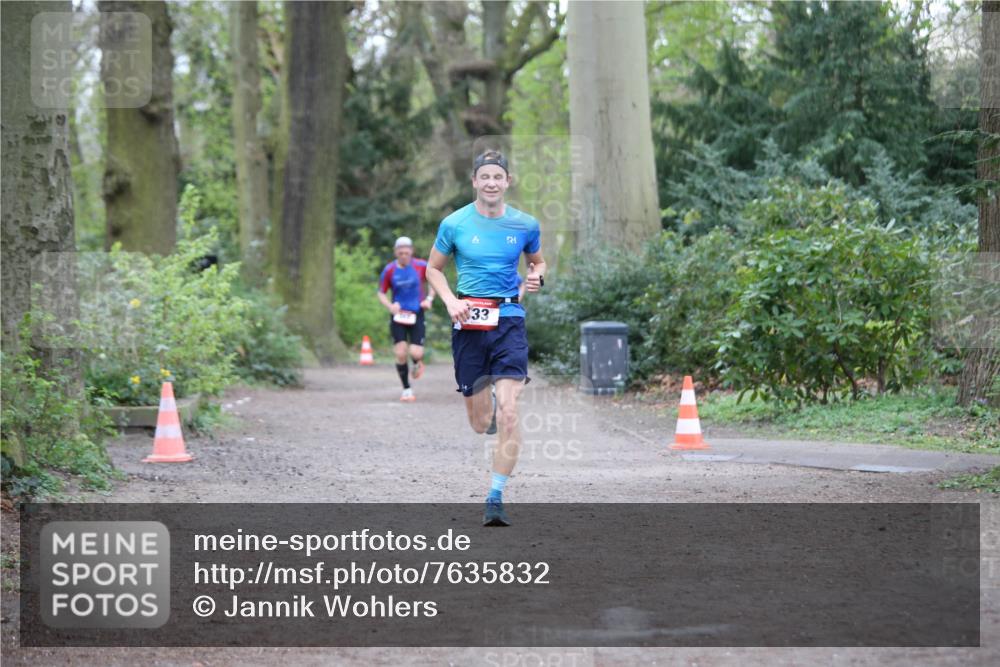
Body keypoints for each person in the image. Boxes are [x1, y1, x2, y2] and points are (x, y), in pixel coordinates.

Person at [425, 150, 546, 526]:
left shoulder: (525, 224)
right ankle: (488, 408)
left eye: (499, 176)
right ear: (475, 182)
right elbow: (433, 269)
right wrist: (449, 301)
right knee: (481, 423)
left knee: (510, 413)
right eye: (485, 177)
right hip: (469, 323)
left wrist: (536, 277)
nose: (492, 182)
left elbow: (538, 262)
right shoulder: (455, 223)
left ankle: (495, 496)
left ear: (508, 181)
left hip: (509, 318)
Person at [378, 236, 435, 402]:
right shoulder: (389, 270)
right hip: (398, 315)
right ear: (396, 252)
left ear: (411, 251)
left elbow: (435, 280)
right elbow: (381, 292)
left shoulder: (420, 266)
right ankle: (406, 389)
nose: (404, 255)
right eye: (400, 252)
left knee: (415, 352)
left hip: (417, 313)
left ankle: (417, 361)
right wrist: (390, 306)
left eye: (406, 252)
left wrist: (429, 299)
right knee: (400, 352)